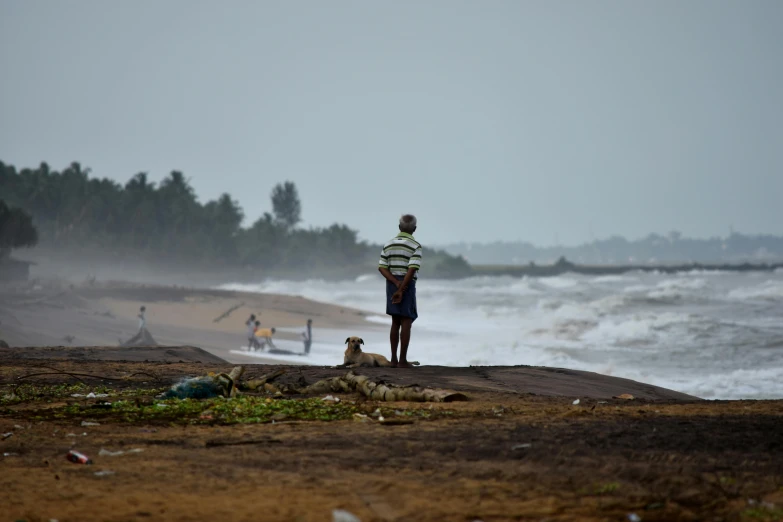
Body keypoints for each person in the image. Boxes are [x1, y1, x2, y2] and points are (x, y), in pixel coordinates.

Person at [378, 214, 421, 368]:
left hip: (391, 283)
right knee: (406, 321)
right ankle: (402, 361)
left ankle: (394, 360)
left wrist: (395, 283)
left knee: (395, 321)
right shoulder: (415, 246)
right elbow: (411, 269)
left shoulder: (389, 244)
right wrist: (402, 287)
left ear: (399, 227)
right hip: (407, 284)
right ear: (414, 229)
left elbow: (382, 267)